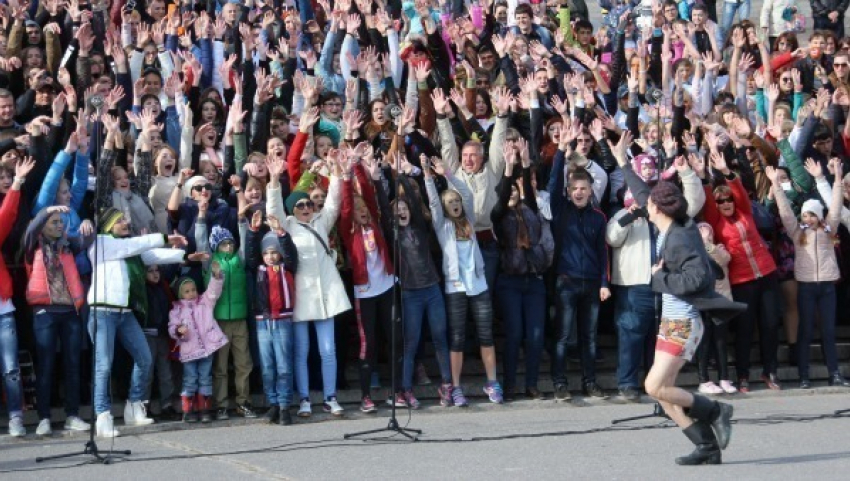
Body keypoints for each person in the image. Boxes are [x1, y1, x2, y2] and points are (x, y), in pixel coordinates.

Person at [623, 166, 741, 465]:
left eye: (650, 203)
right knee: (662, 393)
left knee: (653, 386)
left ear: (659, 208)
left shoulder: (680, 238)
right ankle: (707, 447)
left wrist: (658, 279)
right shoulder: (673, 226)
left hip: (684, 322)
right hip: (671, 322)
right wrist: (622, 161)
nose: (644, 204)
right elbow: (644, 193)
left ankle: (716, 411)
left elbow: (698, 279)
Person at [87, 208, 188, 438]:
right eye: (120, 219)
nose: (126, 222)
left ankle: (134, 406)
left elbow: (153, 256)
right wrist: (163, 237)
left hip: (124, 313)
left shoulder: (128, 249)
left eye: (126, 218)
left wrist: (185, 256)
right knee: (103, 365)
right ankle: (102, 416)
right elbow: (134, 246)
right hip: (102, 312)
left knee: (144, 357)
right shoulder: (101, 244)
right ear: (109, 225)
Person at [424, 156, 503, 406]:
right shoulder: (442, 225)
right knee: (457, 337)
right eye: (451, 202)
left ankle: (492, 382)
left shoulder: (468, 220)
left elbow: (467, 194)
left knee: (486, 335)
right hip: (456, 287)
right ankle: (456, 387)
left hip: (478, 285)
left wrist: (447, 174)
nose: (456, 204)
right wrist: (428, 177)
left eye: (456, 201)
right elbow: (434, 204)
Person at [771, 161, 850, 388]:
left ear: (819, 216)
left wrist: (836, 180)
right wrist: (776, 185)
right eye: (805, 215)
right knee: (805, 330)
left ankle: (834, 373)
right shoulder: (797, 233)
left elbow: (835, 207)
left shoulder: (829, 230)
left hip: (826, 285)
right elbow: (786, 212)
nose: (808, 219)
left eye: (812, 215)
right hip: (805, 285)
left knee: (827, 331)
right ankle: (803, 375)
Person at [245, 211, 299, 426]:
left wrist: (280, 232)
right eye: (266, 252)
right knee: (268, 367)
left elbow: (290, 252)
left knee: (284, 365)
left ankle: (285, 406)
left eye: (273, 252)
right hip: (263, 322)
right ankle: (273, 404)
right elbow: (249, 253)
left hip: (283, 321)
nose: (270, 256)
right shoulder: (257, 269)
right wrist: (253, 231)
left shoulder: (287, 267)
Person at [169, 263, 228, 424]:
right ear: (180, 293)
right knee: (190, 379)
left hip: (207, 349)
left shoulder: (204, 302)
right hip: (189, 351)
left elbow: (213, 292)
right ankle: (188, 410)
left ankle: (204, 409)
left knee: (205, 378)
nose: (191, 293)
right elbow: (172, 327)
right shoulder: (176, 310)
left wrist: (216, 277)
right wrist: (178, 330)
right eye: (187, 291)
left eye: (193, 290)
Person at [1, 158, 34, 437]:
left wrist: (18, 182)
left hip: (3, 311)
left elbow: (8, 214)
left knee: (11, 368)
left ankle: (15, 416)